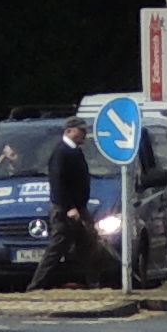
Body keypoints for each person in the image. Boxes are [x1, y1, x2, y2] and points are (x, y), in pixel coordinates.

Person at [45, 122, 102, 287]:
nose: (84, 134)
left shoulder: (74, 151)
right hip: (66, 210)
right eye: (81, 130)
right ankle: (36, 286)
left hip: (79, 208)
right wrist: (70, 208)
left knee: (88, 246)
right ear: (69, 131)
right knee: (56, 249)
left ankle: (94, 283)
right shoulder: (61, 152)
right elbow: (58, 183)